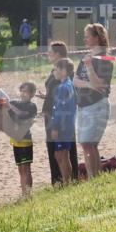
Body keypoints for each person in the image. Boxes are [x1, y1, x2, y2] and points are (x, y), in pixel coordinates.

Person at [74, 23, 114, 179]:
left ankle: (93, 178)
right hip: (83, 105)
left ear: (97, 38)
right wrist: (89, 84)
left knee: (88, 143)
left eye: (88, 36)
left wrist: (90, 67)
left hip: (96, 105)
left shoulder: (104, 59)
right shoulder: (86, 57)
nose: (85, 39)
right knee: (88, 144)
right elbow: (75, 80)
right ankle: (95, 178)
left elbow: (98, 84)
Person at [40, 41, 80, 184]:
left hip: (59, 118)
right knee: (58, 151)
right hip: (54, 113)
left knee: (62, 152)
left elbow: (64, 99)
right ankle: (61, 179)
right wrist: (46, 97)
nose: (48, 54)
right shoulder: (58, 72)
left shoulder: (65, 75)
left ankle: (65, 180)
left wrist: (56, 125)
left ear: (58, 54)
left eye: (50, 52)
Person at [7, 82, 38, 195]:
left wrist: (10, 106)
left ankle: (28, 195)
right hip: (15, 140)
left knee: (26, 168)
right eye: (22, 91)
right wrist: (2, 104)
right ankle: (24, 193)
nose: (23, 93)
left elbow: (22, 115)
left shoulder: (32, 106)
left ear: (32, 94)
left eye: (26, 92)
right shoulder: (15, 103)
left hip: (25, 140)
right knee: (20, 169)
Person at [50, 58, 77, 184]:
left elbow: (61, 109)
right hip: (68, 125)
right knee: (59, 154)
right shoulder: (70, 85)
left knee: (62, 154)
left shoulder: (63, 87)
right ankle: (67, 181)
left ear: (64, 71)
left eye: (56, 69)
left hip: (62, 126)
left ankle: (67, 182)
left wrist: (55, 127)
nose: (54, 72)